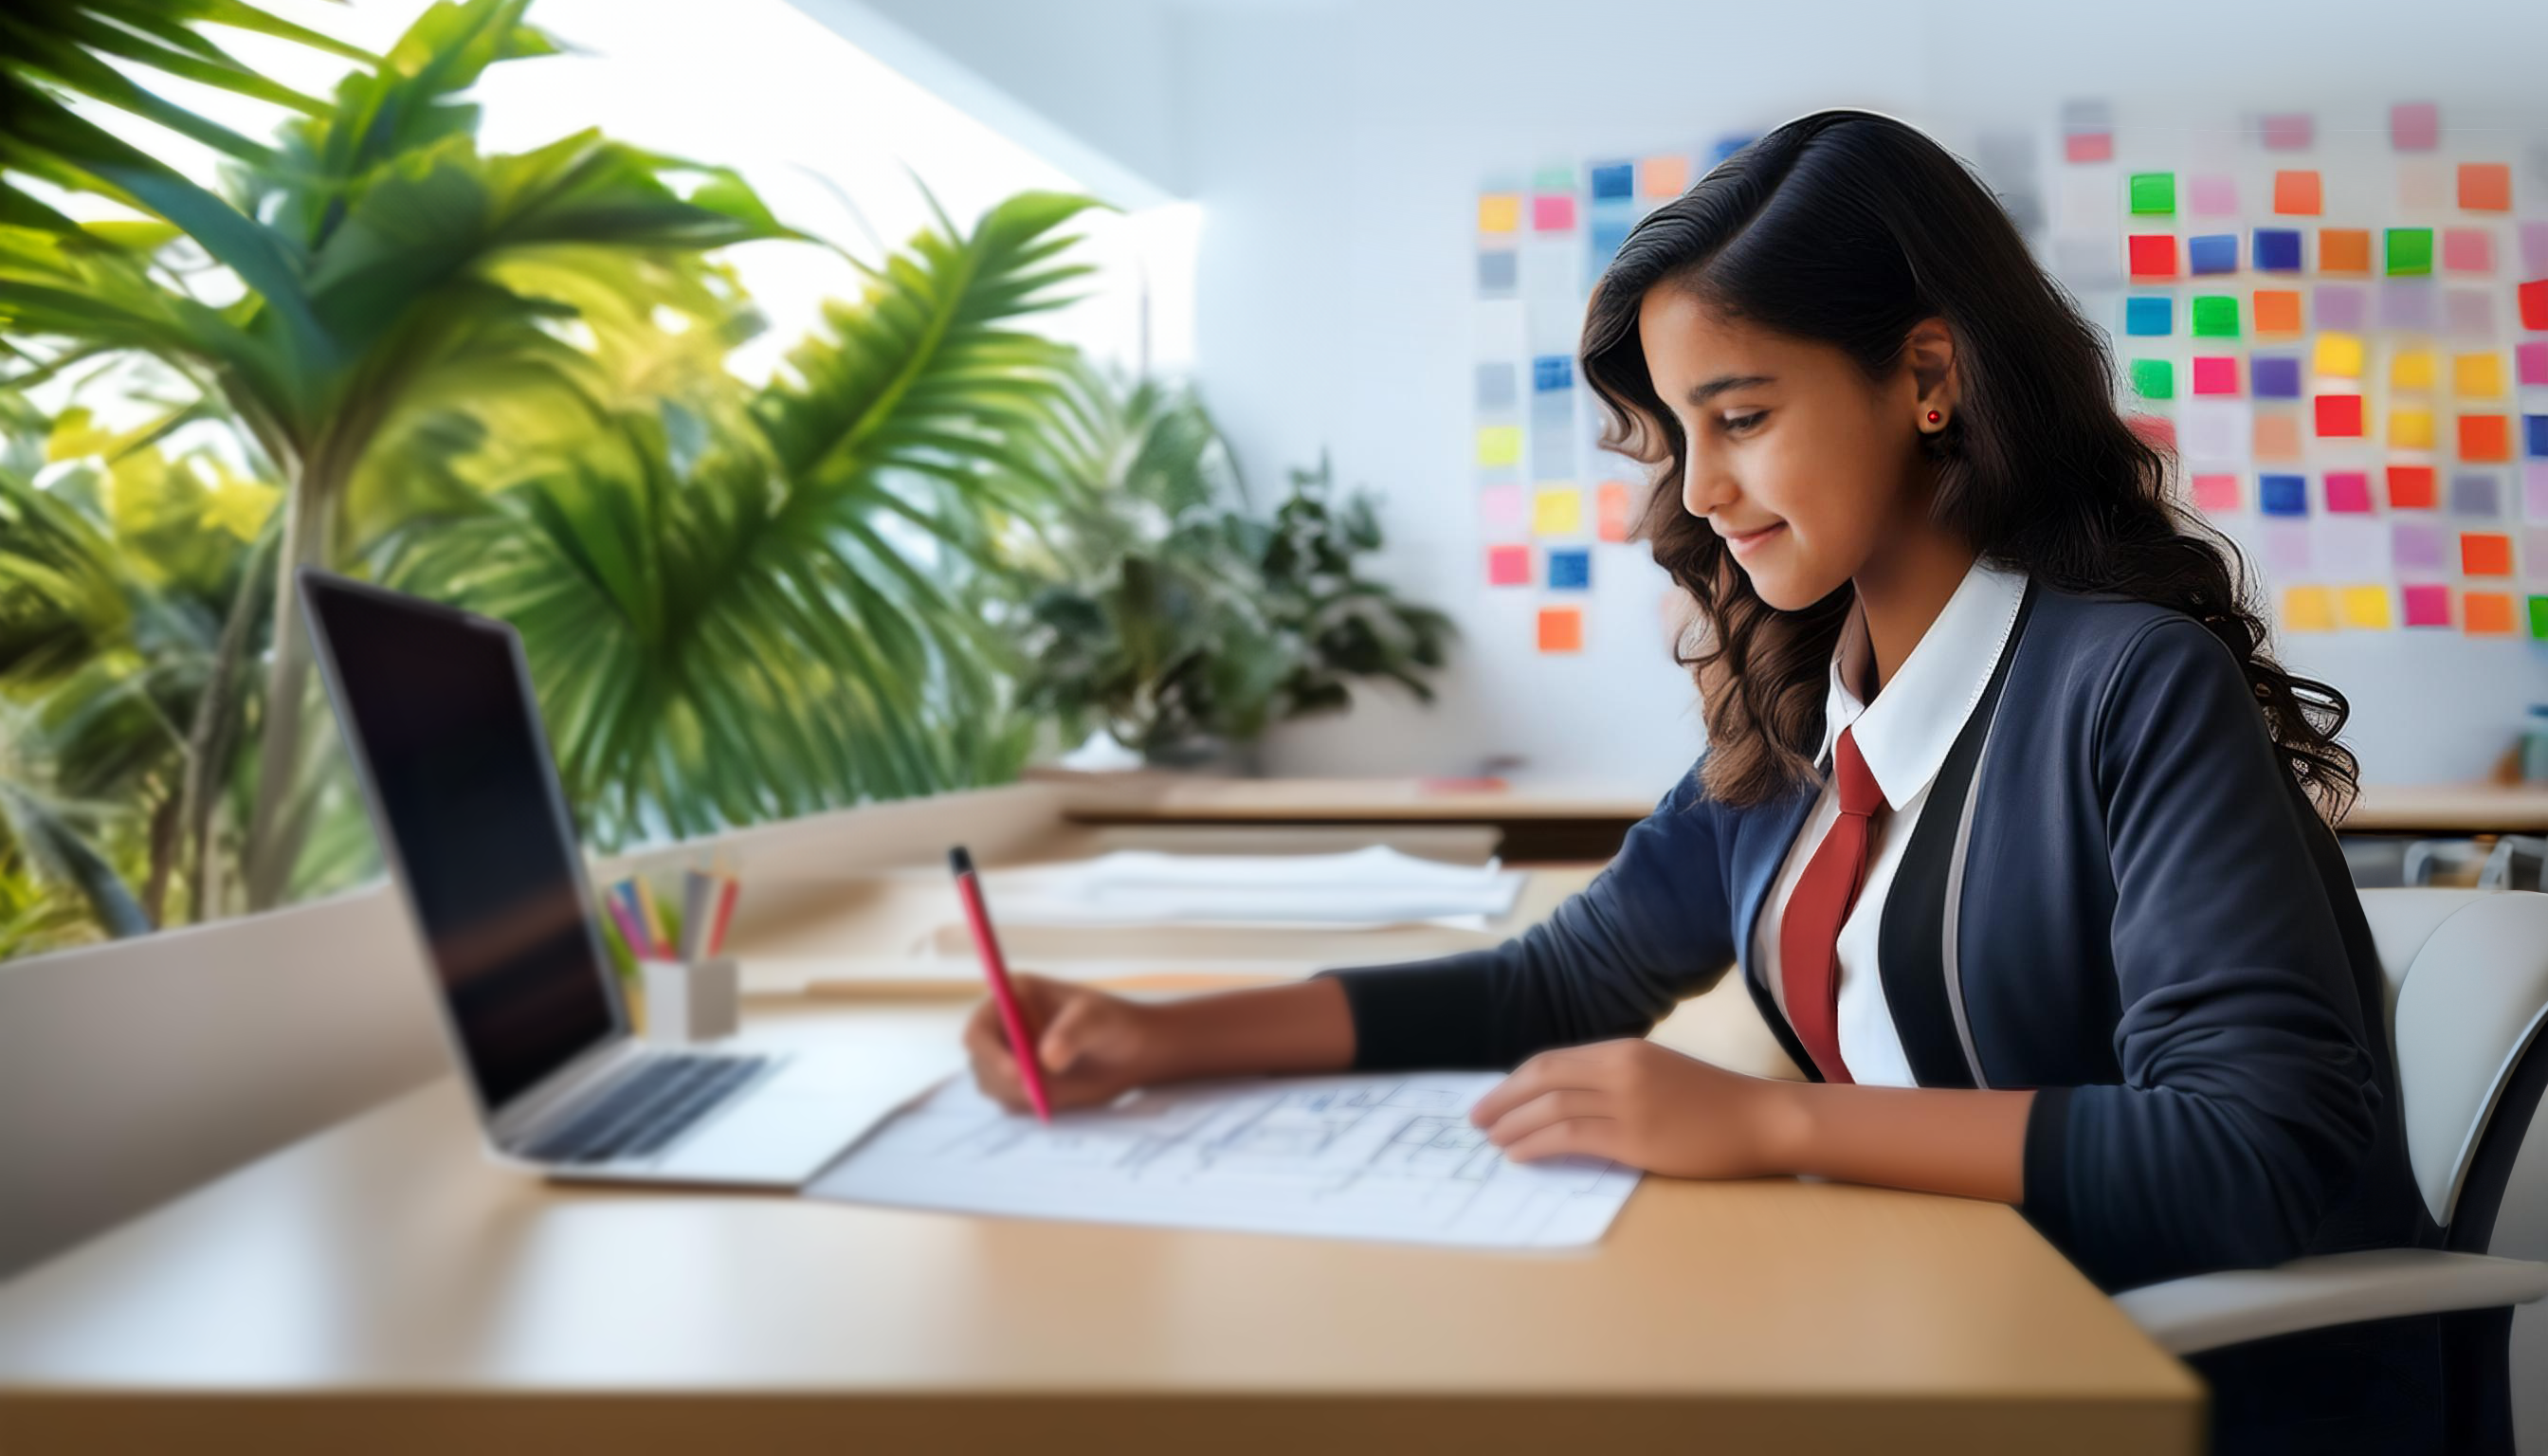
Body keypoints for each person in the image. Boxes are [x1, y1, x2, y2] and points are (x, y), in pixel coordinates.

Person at [961, 110, 2441, 1454]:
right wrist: (1164, 1039)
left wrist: (1769, 1127)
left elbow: (2248, 1150)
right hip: (1943, 1328)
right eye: (1677, 436)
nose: (1700, 490)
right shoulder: (1805, 710)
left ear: (1928, 377)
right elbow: (1557, 985)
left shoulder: (2124, 687)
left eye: (1740, 418)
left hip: (2180, 1391)